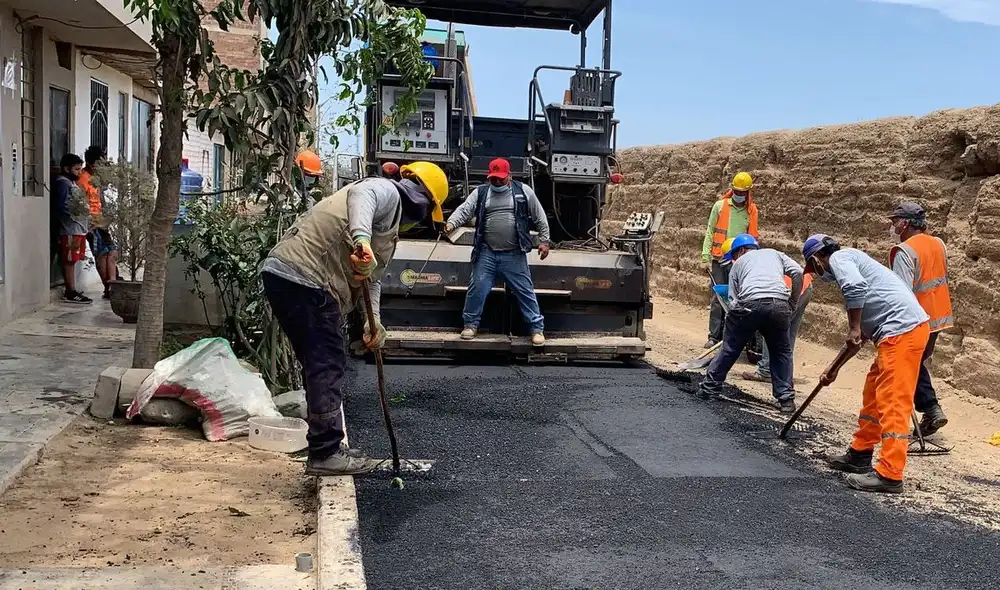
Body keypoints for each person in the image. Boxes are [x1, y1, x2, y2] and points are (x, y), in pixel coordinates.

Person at [260, 161, 448, 476]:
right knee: (327, 362)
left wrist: (372, 323)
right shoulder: (387, 191)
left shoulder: (387, 231)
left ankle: (327, 445)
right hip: (306, 276)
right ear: (423, 199)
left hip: (290, 276)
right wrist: (361, 240)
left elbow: (371, 278)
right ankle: (326, 453)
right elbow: (364, 194)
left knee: (322, 362)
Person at [803, 234, 930, 494]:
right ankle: (860, 453)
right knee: (873, 393)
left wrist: (853, 327)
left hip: (902, 334)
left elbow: (855, 289)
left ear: (817, 259)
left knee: (893, 402)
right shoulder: (853, 262)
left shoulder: (840, 258)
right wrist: (833, 369)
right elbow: (857, 340)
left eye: (814, 268)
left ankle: (890, 474)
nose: (817, 273)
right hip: (895, 334)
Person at [444, 158, 551, 346]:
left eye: (501, 179)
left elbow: (539, 216)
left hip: (514, 254)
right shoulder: (481, 193)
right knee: (477, 288)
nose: (497, 182)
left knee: (525, 291)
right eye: (493, 179)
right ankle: (470, 325)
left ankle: (536, 329)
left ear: (509, 176)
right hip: (487, 252)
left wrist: (544, 241)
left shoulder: (524, 191)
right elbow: (464, 210)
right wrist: (451, 223)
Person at [699, 234, 803, 413]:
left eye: (732, 256)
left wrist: (739, 321)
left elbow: (732, 300)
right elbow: (798, 272)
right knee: (781, 351)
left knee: (730, 348)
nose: (732, 260)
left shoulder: (738, 264)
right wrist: (792, 302)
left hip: (750, 303)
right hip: (779, 304)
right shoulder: (775, 254)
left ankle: (709, 388)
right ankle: (786, 399)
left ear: (740, 251)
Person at [888, 203, 952, 437]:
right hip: (939, 317)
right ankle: (930, 411)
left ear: (905, 223)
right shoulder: (939, 244)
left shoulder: (905, 251)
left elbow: (901, 292)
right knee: (915, 363)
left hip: (916, 319)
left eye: (895, 222)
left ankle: (929, 408)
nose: (892, 226)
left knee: (906, 363)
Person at [701, 172, 759, 348]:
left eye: (743, 193)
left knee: (739, 299)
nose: (739, 195)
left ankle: (735, 337)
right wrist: (705, 256)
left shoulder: (751, 211)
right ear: (732, 189)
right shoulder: (720, 206)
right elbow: (710, 231)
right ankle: (714, 336)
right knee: (718, 298)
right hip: (719, 259)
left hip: (740, 263)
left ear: (748, 192)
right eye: (737, 191)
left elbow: (753, 237)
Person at [743, 272, 814, 384]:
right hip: (805, 286)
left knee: (770, 326)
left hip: (791, 289)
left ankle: (765, 370)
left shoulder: (748, 270)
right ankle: (785, 373)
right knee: (789, 333)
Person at [79, 145, 119, 299]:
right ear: (91, 163)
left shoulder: (95, 178)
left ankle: (113, 285)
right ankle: (108, 288)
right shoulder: (83, 179)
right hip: (92, 223)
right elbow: (80, 203)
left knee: (112, 252)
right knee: (102, 254)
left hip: (101, 220)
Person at [54, 153, 94, 304]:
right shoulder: (63, 183)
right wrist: (76, 215)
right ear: (66, 168)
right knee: (69, 260)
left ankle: (72, 288)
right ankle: (70, 290)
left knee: (75, 259)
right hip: (70, 228)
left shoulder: (72, 183)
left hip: (79, 227)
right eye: (76, 169)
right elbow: (63, 205)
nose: (79, 172)